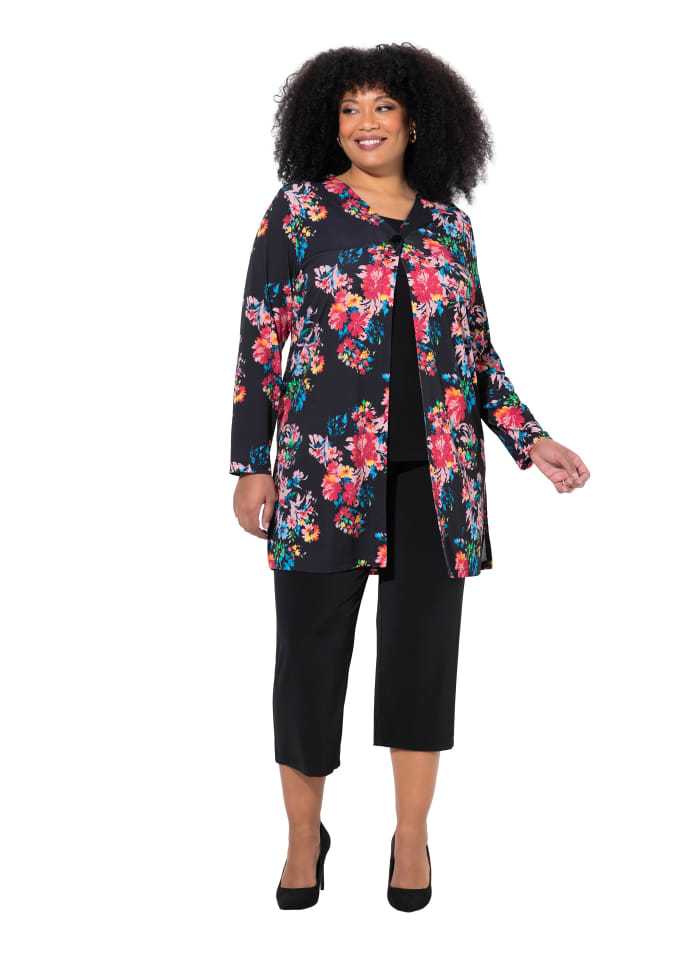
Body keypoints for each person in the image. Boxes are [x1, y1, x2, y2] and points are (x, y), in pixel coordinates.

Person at [230, 42, 590, 911]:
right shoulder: (300, 213)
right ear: (328, 122)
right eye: (349, 108)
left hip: (437, 483)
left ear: (416, 121)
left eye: (383, 106)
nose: (366, 122)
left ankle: (412, 835)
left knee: (422, 661)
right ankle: (303, 837)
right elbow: (261, 338)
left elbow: (475, 355)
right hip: (320, 479)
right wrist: (251, 464)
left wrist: (530, 440)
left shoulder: (449, 227)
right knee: (308, 660)